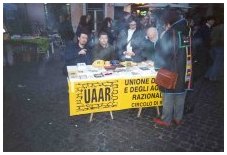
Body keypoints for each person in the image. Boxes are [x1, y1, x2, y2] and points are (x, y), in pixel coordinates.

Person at [153, 9, 189, 126]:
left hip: (171, 70)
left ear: (168, 22)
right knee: (180, 94)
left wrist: (157, 67)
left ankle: (166, 119)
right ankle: (178, 118)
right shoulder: (187, 32)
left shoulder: (170, 33)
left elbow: (162, 52)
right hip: (186, 70)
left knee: (168, 95)